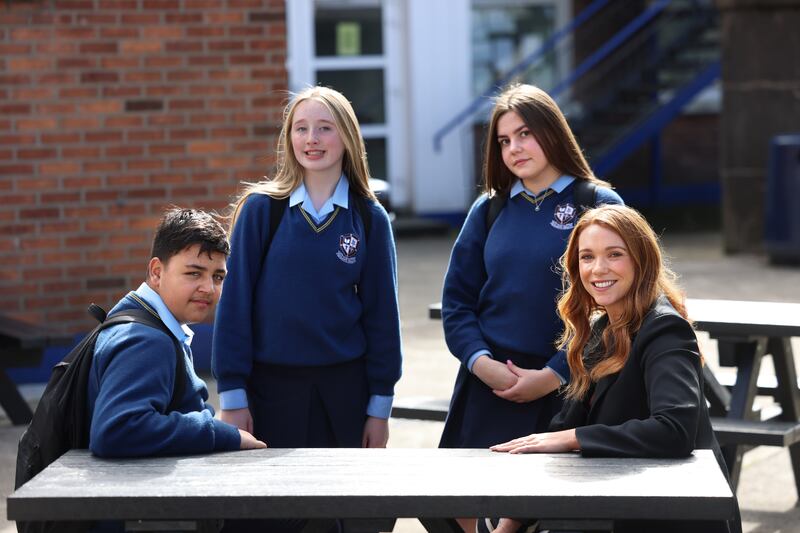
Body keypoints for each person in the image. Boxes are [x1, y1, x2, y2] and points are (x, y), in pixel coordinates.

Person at [489, 204, 742, 533]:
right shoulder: (602, 327)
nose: (598, 269)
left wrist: (573, 439)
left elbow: (674, 430)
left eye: (614, 254)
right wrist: (512, 520)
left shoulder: (665, 328)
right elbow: (568, 423)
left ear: (641, 260)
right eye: (587, 257)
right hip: (620, 503)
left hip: (674, 516)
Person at [212, 86, 402, 451]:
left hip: (347, 394)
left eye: (324, 128)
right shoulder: (261, 210)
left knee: (345, 506)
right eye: (301, 128)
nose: (311, 139)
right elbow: (234, 307)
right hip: (269, 392)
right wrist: (233, 396)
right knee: (273, 507)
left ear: (347, 136)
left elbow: (383, 318)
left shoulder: (369, 217)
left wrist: (380, 408)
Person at [440, 83, 623, 453]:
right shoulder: (488, 210)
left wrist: (554, 373)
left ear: (552, 131)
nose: (514, 148)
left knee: (543, 509)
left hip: (572, 388)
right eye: (504, 141)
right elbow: (457, 303)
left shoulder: (598, 203)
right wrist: (481, 363)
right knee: (460, 505)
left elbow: (618, 307)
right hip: (490, 386)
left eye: (525, 134)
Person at [88, 207, 266, 458]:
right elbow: (117, 430)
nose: (208, 288)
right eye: (194, 273)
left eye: (218, 276)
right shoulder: (145, 340)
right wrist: (222, 434)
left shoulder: (146, 323)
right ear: (157, 272)